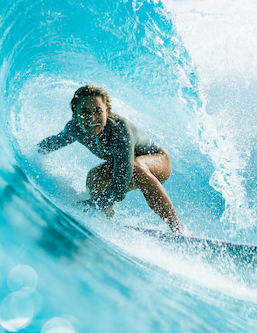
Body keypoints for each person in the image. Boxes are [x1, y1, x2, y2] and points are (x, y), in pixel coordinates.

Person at [38, 85, 185, 234]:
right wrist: (29, 154)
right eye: (84, 112)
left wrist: (85, 206)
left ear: (107, 111)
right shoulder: (74, 129)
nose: (92, 119)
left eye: (97, 111)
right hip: (127, 165)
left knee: (136, 167)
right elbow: (53, 143)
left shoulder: (119, 131)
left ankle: (177, 228)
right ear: (75, 114)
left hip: (158, 161)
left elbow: (119, 190)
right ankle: (105, 220)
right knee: (94, 178)